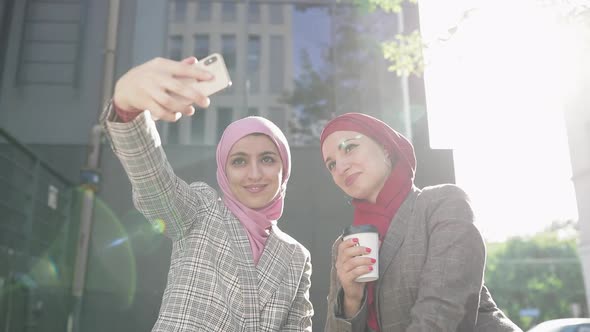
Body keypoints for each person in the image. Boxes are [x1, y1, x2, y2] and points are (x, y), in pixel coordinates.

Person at [100, 56, 313, 331]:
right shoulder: (202, 209)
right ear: (223, 170)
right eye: (239, 161)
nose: (255, 174)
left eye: (268, 159)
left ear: (285, 168)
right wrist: (127, 109)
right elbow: (154, 184)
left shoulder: (296, 256)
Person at [320, 113, 521, 332]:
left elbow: (443, 313)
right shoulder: (345, 246)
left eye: (348, 148)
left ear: (386, 149)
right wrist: (351, 299)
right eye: (331, 165)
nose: (340, 167)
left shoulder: (441, 204)